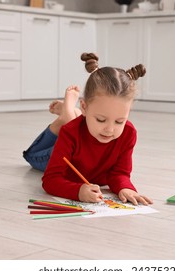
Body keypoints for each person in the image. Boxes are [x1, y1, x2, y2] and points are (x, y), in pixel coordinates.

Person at [23, 53, 153, 206]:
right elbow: (51, 180)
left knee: (81, 125)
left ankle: (71, 113)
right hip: (61, 152)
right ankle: (67, 115)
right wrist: (77, 191)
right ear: (84, 106)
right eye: (101, 119)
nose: (110, 129)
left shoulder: (129, 133)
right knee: (34, 156)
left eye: (119, 121)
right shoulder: (70, 132)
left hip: (82, 140)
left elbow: (120, 173)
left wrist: (125, 187)